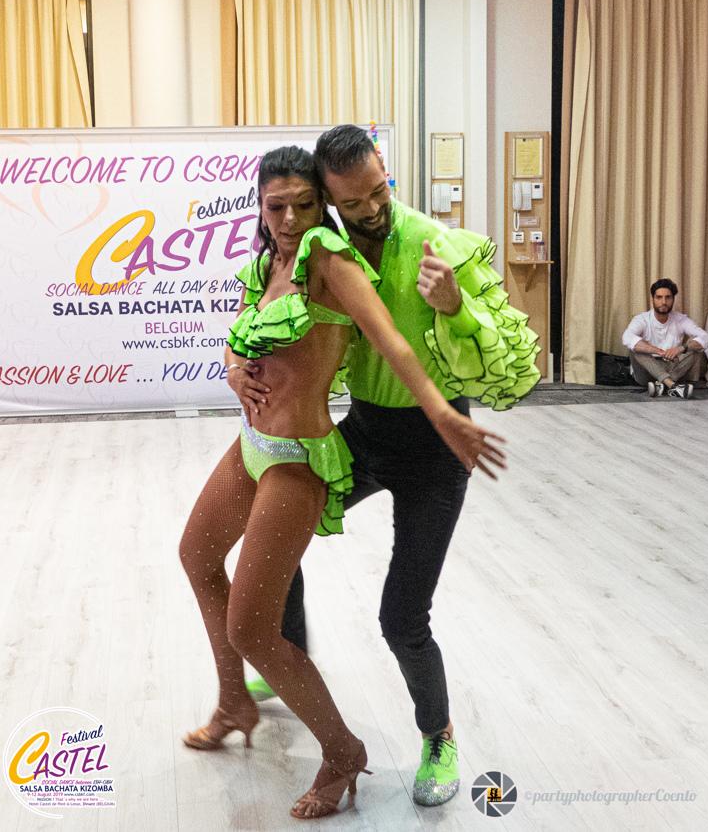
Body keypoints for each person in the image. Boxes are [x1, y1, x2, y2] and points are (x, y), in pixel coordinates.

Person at [179, 146, 507, 820]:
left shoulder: (343, 254)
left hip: (407, 453)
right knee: (202, 557)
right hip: (329, 436)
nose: (291, 218)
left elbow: (395, 343)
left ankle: (413, 739)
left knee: (399, 619)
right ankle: (243, 693)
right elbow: (241, 335)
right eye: (278, 206)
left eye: (306, 205)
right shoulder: (269, 262)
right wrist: (234, 367)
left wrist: (447, 406)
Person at [622, 278, 708, 399]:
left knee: (696, 348)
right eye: (659, 297)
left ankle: (662, 385)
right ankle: (672, 386)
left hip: (672, 367)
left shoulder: (681, 319)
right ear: (652, 299)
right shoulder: (642, 319)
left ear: (673, 299)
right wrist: (658, 351)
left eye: (668, 297)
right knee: (635, 348)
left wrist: (681, 348)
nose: (663, 302)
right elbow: (627, 337)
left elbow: (706, 338)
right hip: (647, 370)